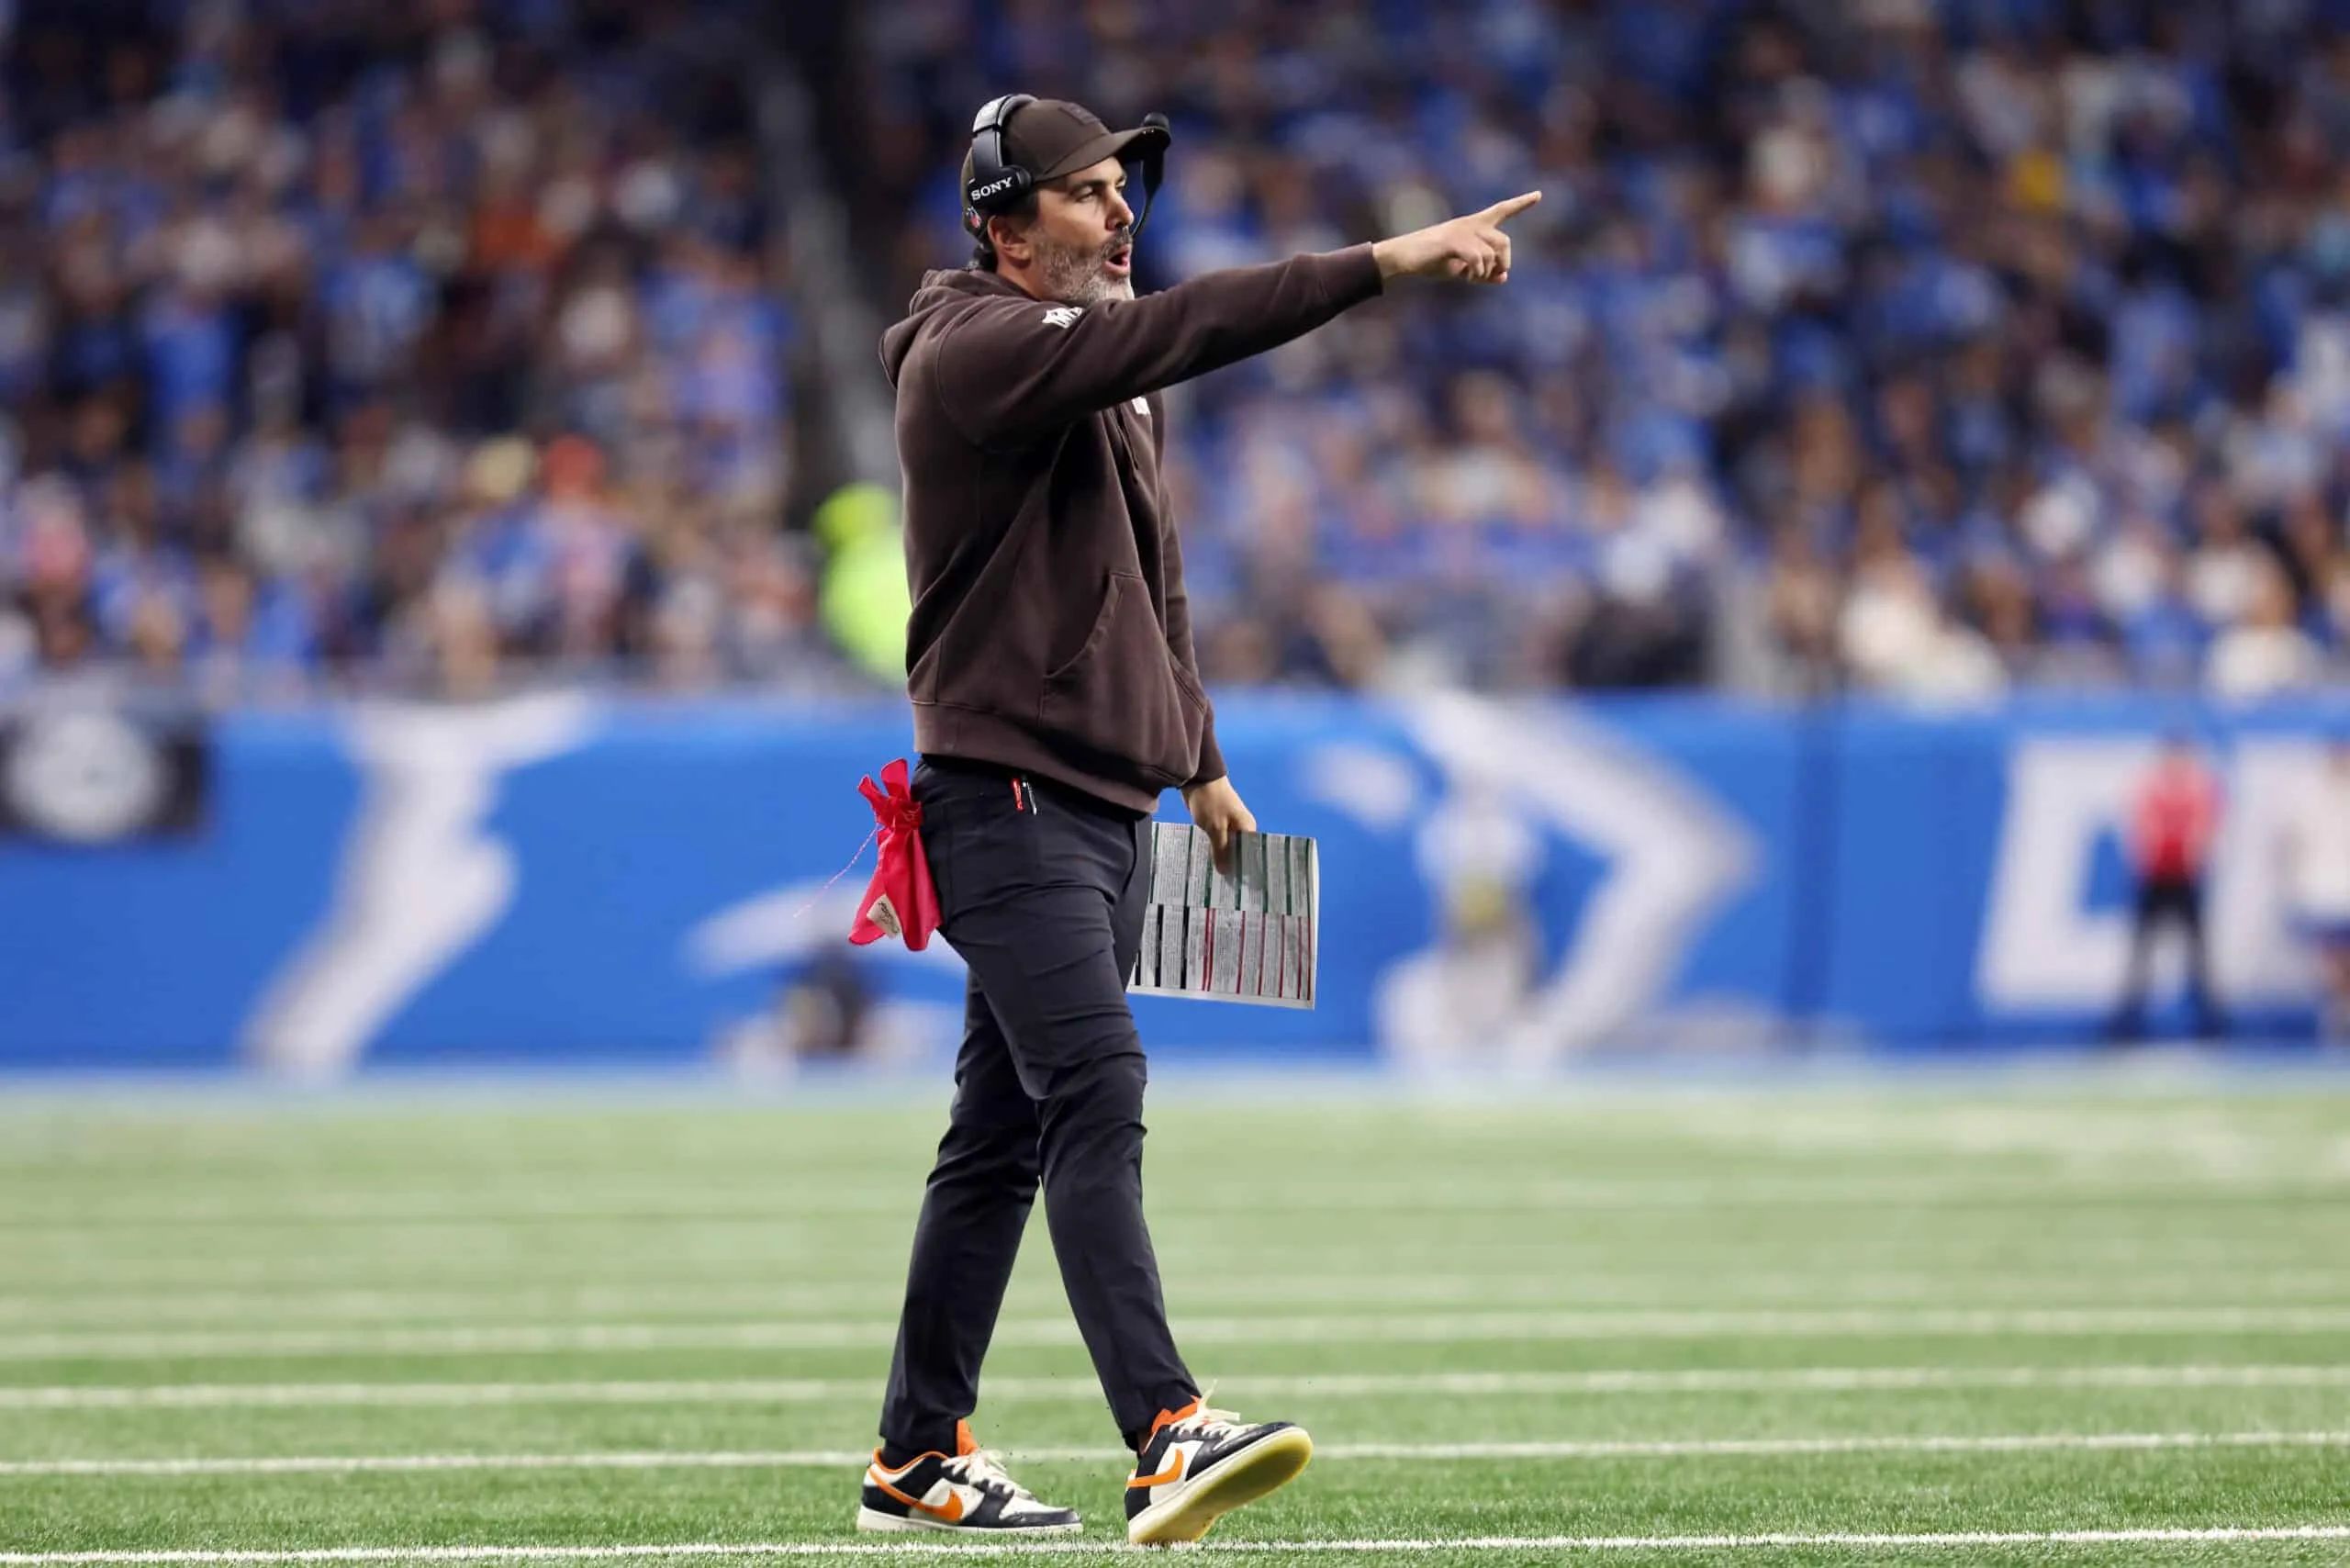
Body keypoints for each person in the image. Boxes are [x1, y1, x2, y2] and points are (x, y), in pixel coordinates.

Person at [856, 94, 1538, 1544]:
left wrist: (1202, 758)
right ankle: (1166, 1429)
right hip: (1006, 796)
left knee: (999, 1139)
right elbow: (1185, 332)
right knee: (1097, 1086)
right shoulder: (974, 351)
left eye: (1124, 192)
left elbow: (1152, 579)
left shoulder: (1095, 367)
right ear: (1004, 225)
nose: (1119, 217)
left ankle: (917, 1456)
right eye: (1088, 195)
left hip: (1096, 800)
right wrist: (1385, 262)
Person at [2110, 734, 2224, 1040]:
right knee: (2142, 954)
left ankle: (2211, 1024)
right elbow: (2139, 832)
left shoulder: (2199, 790)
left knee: (2197, 954)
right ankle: (2126, 1025)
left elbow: (2206, 833)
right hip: (2155, 879)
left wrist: (2193, 859)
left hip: (2184, 879)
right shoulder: (2151, 790)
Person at [2283, 739, 2350, 1042]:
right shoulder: (2312, 799)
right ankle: (2338, 1014)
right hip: (2325, 891)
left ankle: (2340, 1012)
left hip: (2338, 889)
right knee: (2332, 956)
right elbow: (2295, 843)